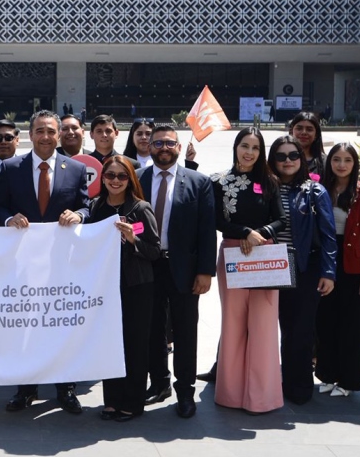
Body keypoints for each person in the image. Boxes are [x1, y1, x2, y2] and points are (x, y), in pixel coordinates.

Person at [0, 110, 91, 415]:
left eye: (51, 131)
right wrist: (9, 218)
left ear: (59, 135)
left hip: (62, 265)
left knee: (61, 326)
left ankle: (65, 388)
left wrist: (79, 215)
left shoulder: (75, 169)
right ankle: (26, 389)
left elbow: (86, 205)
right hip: (22, 265)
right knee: (26, 328)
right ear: (30, 134)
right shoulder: (11, 167)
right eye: (40, 131)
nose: (46, 137)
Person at [138, 124, 217, 419]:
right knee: (152, 328)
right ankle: (159, 383)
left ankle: (185, 390)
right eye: (158, 143)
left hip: (184, 269)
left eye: (170, 143)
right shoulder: (138, 178)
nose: (164, 148)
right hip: (147, 266)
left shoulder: (199, 182)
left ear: (179, 148)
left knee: (185, 332)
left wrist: (205, 271)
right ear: (150, 147)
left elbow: (207, 230)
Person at [211, 127, 285, 414]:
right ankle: (230, 394)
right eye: (245, 146)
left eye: (255, 148)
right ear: (236, 147)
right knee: (233, 325)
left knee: (264, 327)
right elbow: (216, 221)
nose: (249, 152)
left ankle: (262, 397)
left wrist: (260, 233)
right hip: (233, 255)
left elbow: (280, 219)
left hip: (265, 256)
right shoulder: (219, 181)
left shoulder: (270, 182)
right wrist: (244, 232)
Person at [86, 155, 161, 422]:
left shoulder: (140, 209)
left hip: (136, 287)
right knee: (109, 344)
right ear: (102, 178)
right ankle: (112, 401)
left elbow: (154, 251)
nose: (115, 181)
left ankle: (132, 402)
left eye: (121, 176)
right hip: (105, 287)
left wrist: (133, 238)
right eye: (110, 175)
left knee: (134, 345)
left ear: (130, 179)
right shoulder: (95, 207)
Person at [268, 135, 337, 405]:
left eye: (293, 155)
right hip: (268, 267)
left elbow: (328, 235)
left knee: (300, 331)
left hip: (304, 268)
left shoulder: (314, 191)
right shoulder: (265, 188)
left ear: (301, 158)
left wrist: (328, 272)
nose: (288, 161)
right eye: (281, 156)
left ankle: (298, 386)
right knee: (268, 329)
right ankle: (267, 383)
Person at [314, 142, 360, 397]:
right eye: (336, 159)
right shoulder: (320, 189)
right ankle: (327, 375)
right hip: (325, 260)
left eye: (347, 160)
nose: (341, 165)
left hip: (353, 264)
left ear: (355, 164)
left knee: (352, 324)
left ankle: (349, 381)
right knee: (326, 320)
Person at [125, 119, 200, 171]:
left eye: (148, 134)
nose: (144, 137)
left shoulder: (166, 158)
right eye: (139, 134)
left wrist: (189, 162)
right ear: (132, 136)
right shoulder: (124, 161)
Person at [289, 112, 325, 177]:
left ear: (316, 135)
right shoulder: (282, 159)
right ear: (291, 131)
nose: (304, 132)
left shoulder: (325, 162)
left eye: (309, 129)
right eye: (299, 128)